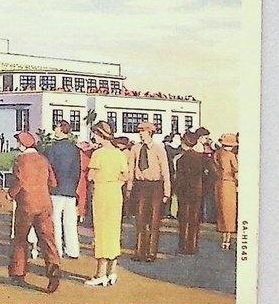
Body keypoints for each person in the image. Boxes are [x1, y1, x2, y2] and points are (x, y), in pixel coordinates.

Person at [7, 131, 61, 294]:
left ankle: (18, 272)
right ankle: (54, 270)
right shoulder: (43, 159)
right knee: (48, 239)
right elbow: (53, 182)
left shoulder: (21, 160)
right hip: (44, 203)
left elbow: (20, 181)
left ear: (23, 144)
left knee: (20, 239)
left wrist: (11, 194)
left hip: (26, 204)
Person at [85, 121, 129, 286]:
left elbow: (90, 176)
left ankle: (100, 273)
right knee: (114, 230)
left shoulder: (99, 154)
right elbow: (125, 176)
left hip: (102, 192)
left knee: (102, 232)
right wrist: (116, 182)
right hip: (115, 193)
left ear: (100, 134)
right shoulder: (119, 154)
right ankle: (112, 271)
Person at [127, 122, 170, 262]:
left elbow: (165, 171)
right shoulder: (135, 148)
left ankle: (152, 253)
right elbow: (131, 169)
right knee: (140, 220)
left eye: (143, 131)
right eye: (140, 131)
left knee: (154, 220)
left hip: (155, 186)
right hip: (140, 186)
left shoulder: (159, 149)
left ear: (150, 133)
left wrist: (166, 192)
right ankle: (139, 251)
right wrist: (129, 187)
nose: (141, 134)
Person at [44, 121, 82, 259]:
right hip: (70, 189)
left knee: (55, 221)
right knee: (70, 222)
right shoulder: (75, 149)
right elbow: (77, 171)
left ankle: (58, 250)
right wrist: (74, 186)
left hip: (56, 189)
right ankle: (73, 250)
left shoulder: (52, 149)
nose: (54, 129)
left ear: (61, 130)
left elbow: (49, 170)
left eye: (56, 127)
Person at [174, 131, 204, 254]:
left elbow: (179, 178)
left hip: (184, 191)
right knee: (194, 219)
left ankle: (183, 245)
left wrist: (177, 190)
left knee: (184, 219)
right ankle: (193, 246)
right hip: (197, 190)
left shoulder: (181, 160)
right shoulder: (201, 158)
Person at [212, 133, 239, 249]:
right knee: (230, 211)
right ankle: (227, 240)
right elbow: (236, 170)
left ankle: (223, 239)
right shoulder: (231, 156)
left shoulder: (216, 154)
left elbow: (213, 168)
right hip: (229, 184)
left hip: (218, 183)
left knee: (221, 211)